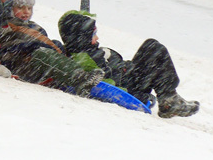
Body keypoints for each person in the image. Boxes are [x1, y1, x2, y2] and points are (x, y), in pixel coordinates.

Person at [58, 10, 200, 118]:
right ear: (81, 36)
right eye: (93, 34)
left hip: (128, 75)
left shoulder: (87, 51)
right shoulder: (85, 59)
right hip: (130, 85)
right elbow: (105, 88)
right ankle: (169, 100)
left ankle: (169, 100)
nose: (97, 37)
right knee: (153, 48)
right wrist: (139, 98)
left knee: (152, 48)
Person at [0, 0, 104, 96]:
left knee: (54, 47)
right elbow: (13, 45)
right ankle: (79, 79)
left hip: (35, 66)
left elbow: (43, 41)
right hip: (20, 66)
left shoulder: (33, 26)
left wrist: (54, 46)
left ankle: (79, 75)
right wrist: (36, 46)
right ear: (10, 8)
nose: (26, 12)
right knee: (42, 53)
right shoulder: (7, 26)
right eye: (21, 8)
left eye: (29, 8)